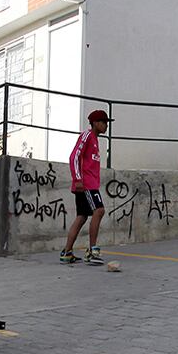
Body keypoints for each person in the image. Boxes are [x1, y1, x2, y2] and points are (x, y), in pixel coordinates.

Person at [61, 110, 111, 265]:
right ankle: (92, 251)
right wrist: (77, 179)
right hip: (86, 184)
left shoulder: (95, 140)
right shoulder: (87, 135)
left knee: (82, 216)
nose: (106, 125)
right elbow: (74, 156)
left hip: (89, 184)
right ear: (95, 123)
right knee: (99, 210)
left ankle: (67, 253)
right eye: (103, 122)